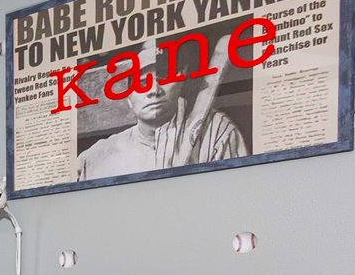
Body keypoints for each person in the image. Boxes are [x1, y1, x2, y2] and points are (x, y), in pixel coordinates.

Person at [76, 32, 248, 181]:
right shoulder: (95, 158)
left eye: (164, 77)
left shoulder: (216, 132)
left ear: (181, 80)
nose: (154, 91)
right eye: (142, 82)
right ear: (128, 97)